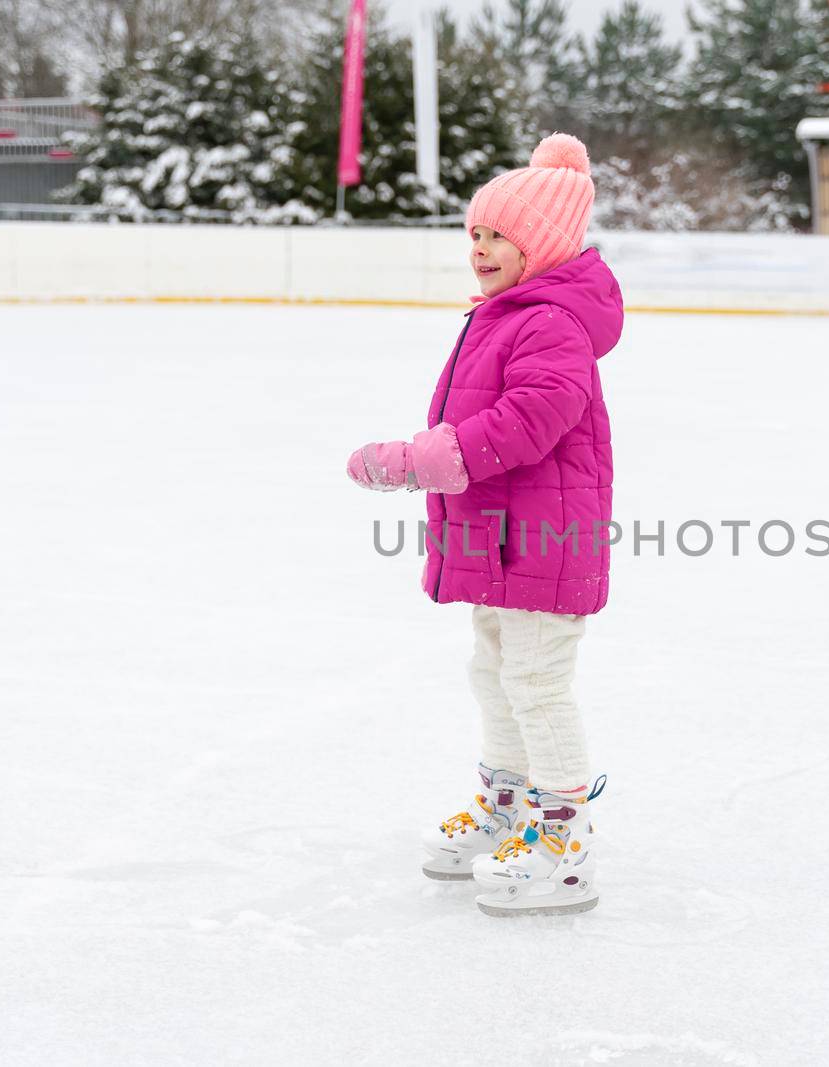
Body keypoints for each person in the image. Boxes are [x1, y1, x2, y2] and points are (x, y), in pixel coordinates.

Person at [345, 132, 623, 916]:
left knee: (536, 683)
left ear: (543, 244)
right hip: (502, 536)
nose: (481, 247)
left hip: (544, 539)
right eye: (475, 232)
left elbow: (530, 419)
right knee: (494, 674)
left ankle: (565, 846)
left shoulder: (551, 323)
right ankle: (510, 810)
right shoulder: (508, 314)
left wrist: (417, 459)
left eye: (500, 234)